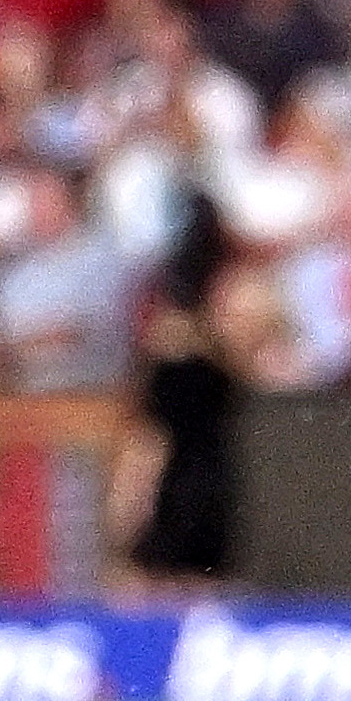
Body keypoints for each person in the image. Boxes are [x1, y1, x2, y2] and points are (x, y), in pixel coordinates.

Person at [119, 224, 247, 589]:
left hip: (180, 488)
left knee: (152, 591)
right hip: (215, 484)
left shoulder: (171, 367)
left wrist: (130, 502)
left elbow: (150, 442)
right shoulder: (217, 359)